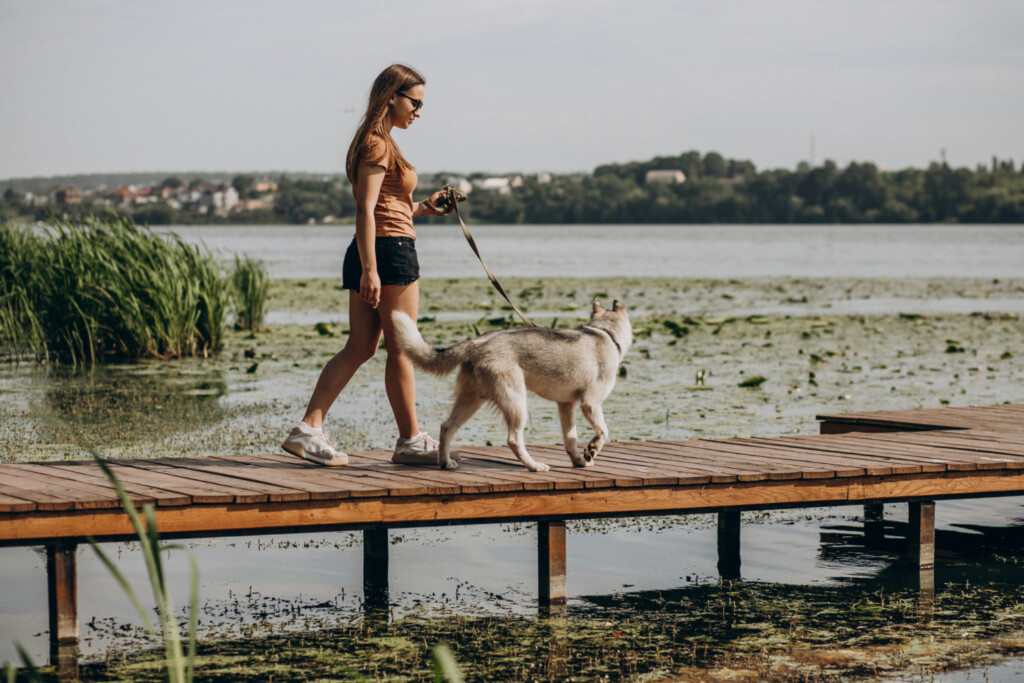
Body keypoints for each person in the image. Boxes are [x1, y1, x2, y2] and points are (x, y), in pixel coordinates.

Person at [282, 64, 459, 467]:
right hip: (387, 251)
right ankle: (411, 441)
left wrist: (425, 208)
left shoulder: (379, 142)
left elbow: (387, 205)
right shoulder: (378, 144)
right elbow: (364, 208)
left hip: (380, 246)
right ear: (391, 96)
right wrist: (371, 268)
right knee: (403, 350)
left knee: (361, 346)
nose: (418, 111)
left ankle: (308, 429)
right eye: (415, 102)